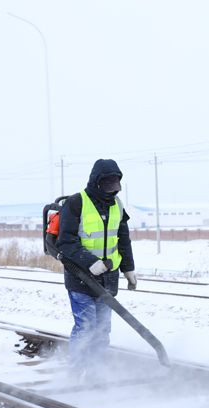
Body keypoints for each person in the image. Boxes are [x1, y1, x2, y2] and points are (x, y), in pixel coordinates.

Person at [57, 158, 137, 382]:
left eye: (115, 185)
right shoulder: (76, 204)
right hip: (80, 277)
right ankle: (74, 375)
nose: (111, 190)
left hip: (108, 279)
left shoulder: (117, 205)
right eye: (107, 185)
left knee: (102, 331)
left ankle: (95, 375)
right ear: (96, 182)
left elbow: (123, 240)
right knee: (86, 328)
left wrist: (129, 269)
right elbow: (66, 242)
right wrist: (89, 261)